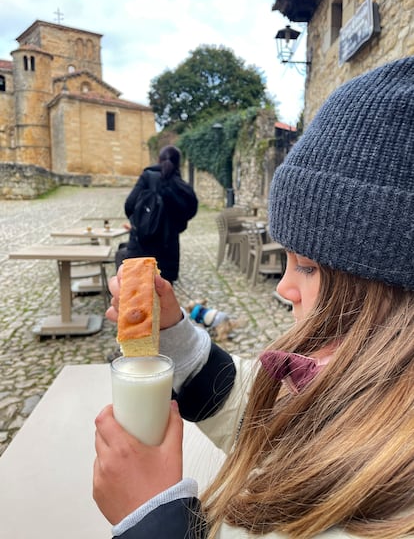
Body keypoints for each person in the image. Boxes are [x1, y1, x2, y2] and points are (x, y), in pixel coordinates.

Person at [93, 57, 414, 538]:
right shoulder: (363, 390)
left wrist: (152, 521)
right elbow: (273, 420)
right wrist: (175, 336)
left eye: (307, 266)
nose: (284, 288)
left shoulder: (388, 512)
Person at [116, 145, 198, 284]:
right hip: (167, 248)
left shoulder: (147, 177)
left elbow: (129, 205)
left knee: (136, 294)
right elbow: (190, 211)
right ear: (178, 163)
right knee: (162, 295)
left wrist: (141, 222)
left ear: (159, 160)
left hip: (141, 246)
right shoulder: (180, 186)